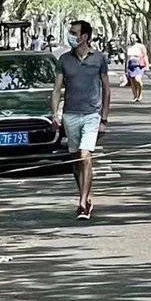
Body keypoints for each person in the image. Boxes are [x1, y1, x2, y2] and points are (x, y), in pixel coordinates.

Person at [52, 20, 111, 220]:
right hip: (70, 114)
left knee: (86, 155)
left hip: (92, 114)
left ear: (84, 36)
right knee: (76, 160)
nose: (70, 35)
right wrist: (55, 114)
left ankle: (83, 203)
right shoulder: (64, 59)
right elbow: (57, 89)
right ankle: (85, 194)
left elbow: (106, 89)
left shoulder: (99, 59)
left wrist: (104, 118)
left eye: (74, 32)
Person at [126, 33, 148, 102]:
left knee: (137, 80)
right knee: (132, 81)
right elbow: (127, 58)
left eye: (133, 38)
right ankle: (135, 96)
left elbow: (145, 56)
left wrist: (147, 65)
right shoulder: (128, 47)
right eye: (130, 38)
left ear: (137, 39)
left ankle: (140, 94)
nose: (132, 39)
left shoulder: (141, 46)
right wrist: (126, 68)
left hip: (139, 65)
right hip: (131, 65)